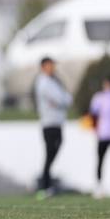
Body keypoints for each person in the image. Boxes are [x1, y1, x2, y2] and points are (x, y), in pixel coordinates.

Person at [34, 56, 72, 199]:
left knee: (52, 153)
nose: (53, 68)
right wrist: (62, 100)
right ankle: (44, 186)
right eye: (50, 65)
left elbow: (66, 99)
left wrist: (63, 100)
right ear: (43, 66)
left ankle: (47, 185)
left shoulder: (54, 81)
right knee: (49, 154)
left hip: (58, 122)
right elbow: (61, 99)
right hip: (49, 123)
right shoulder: (43, 82)